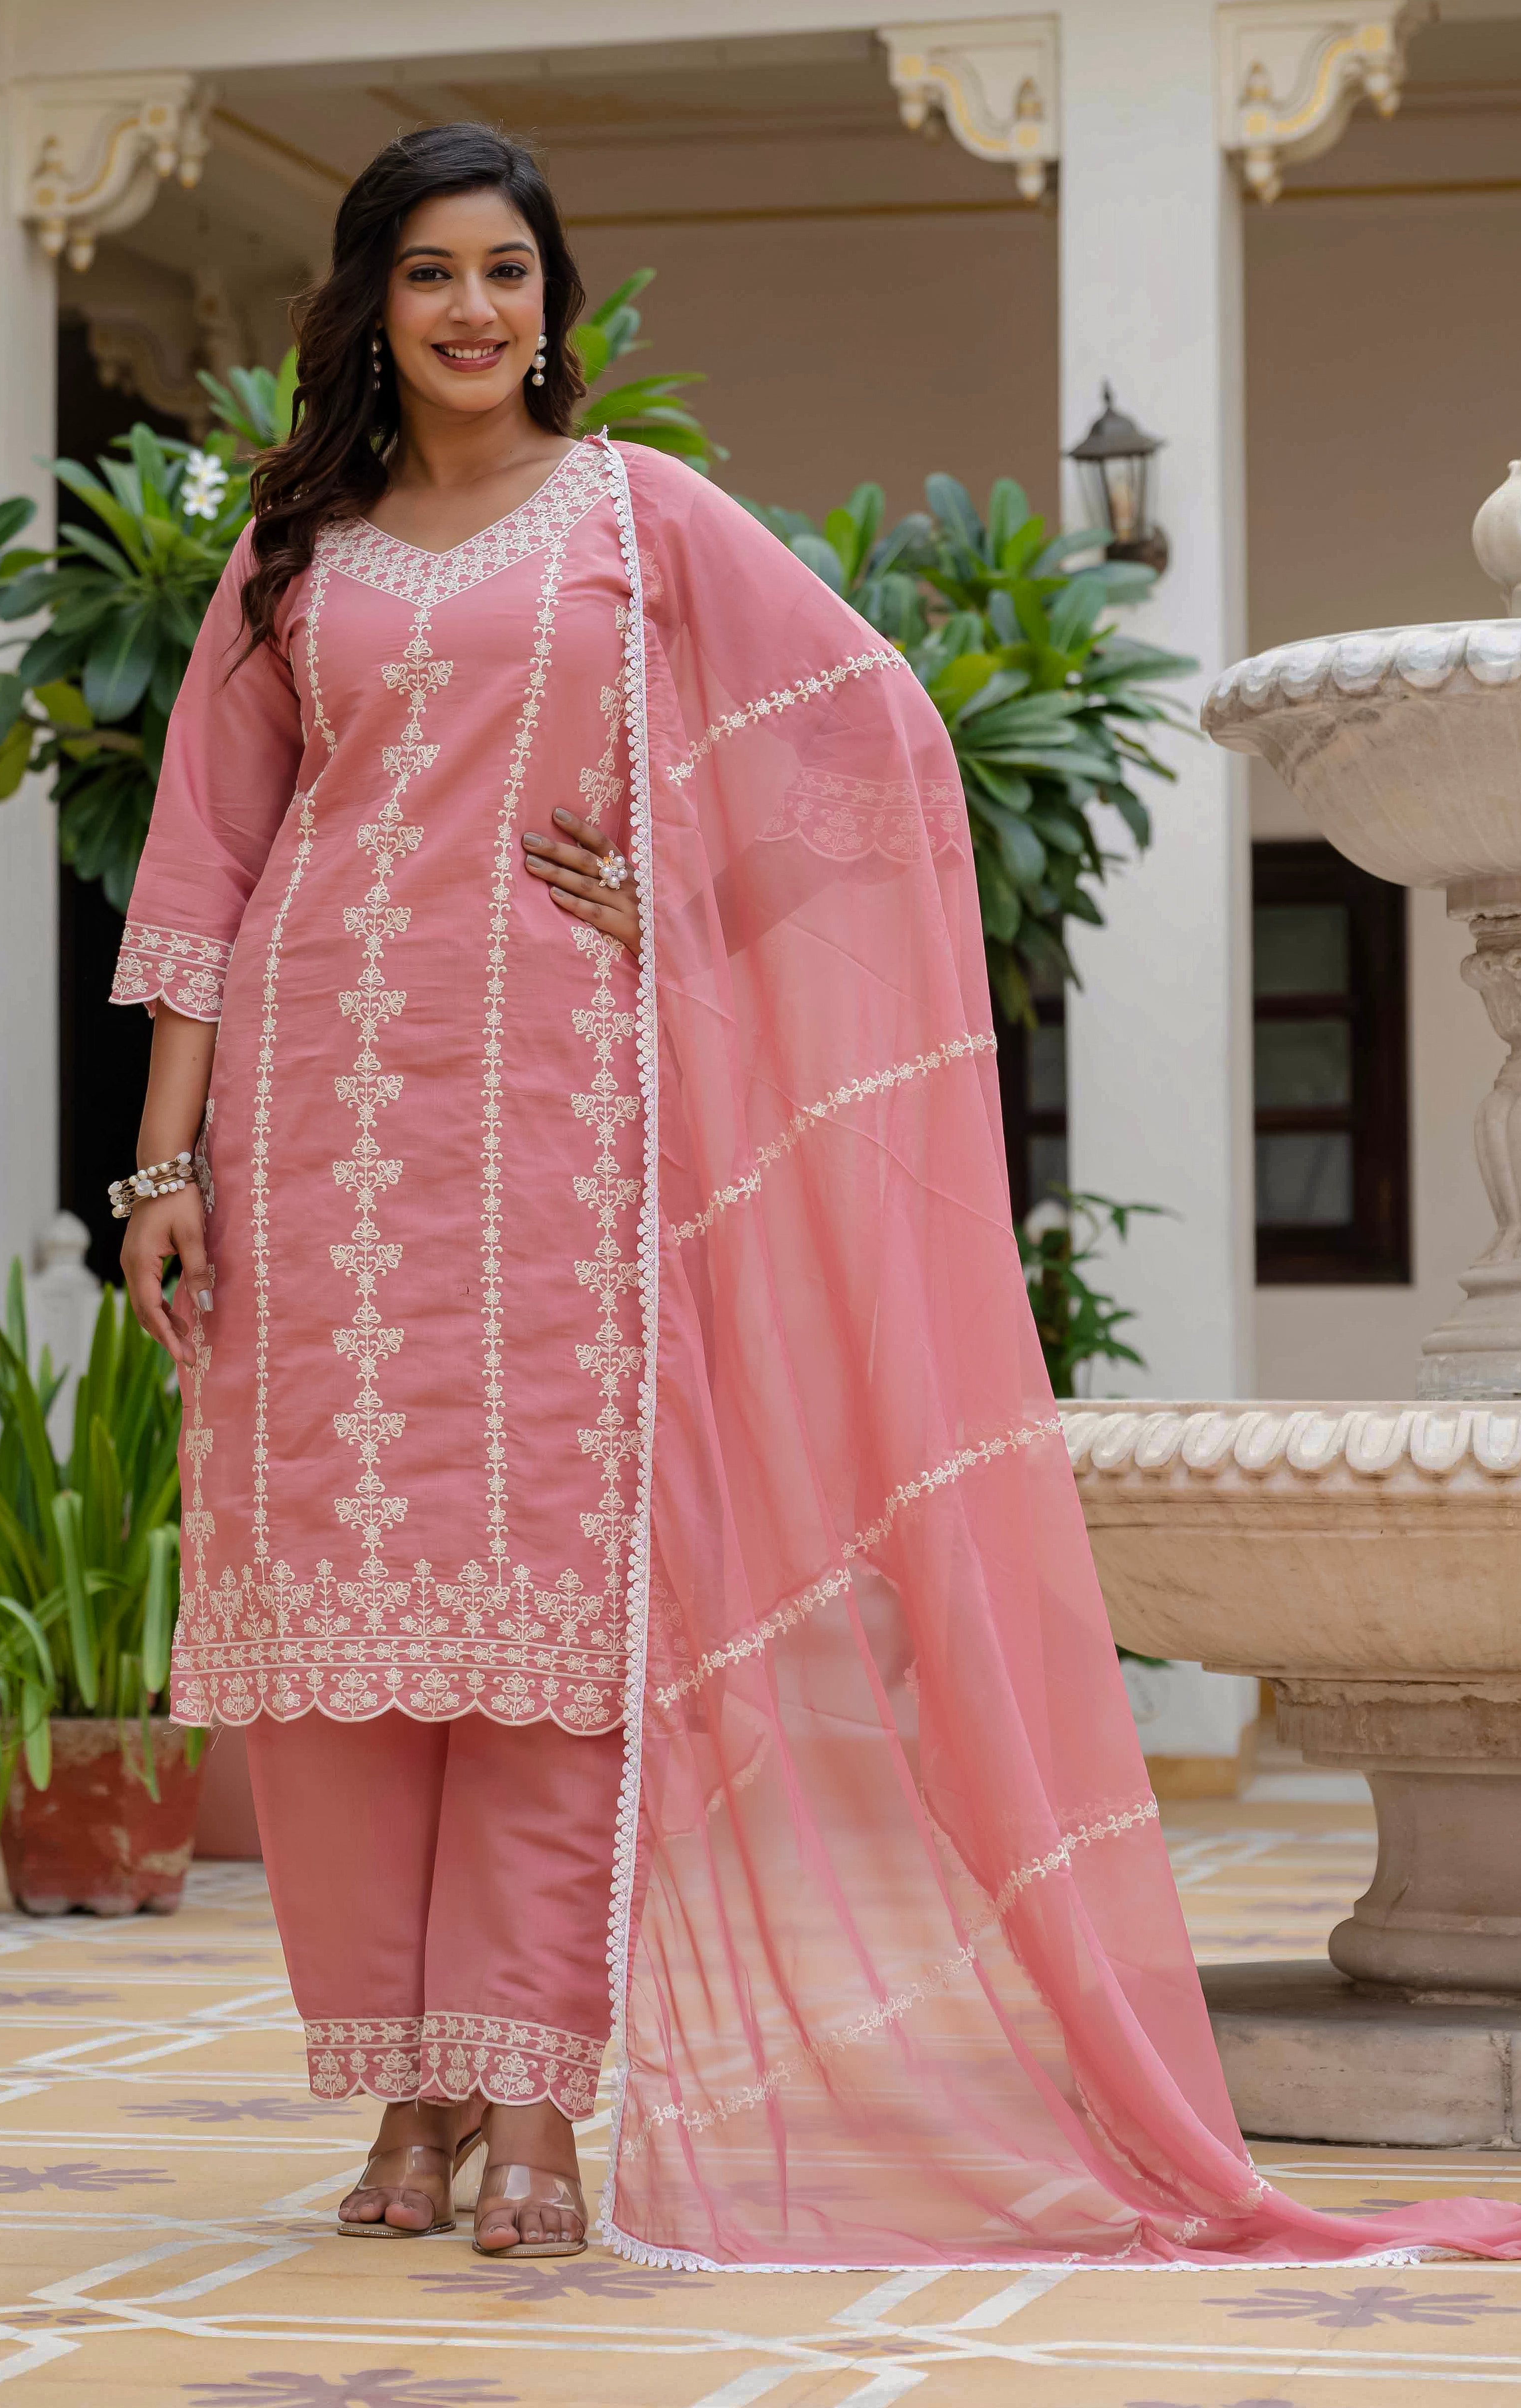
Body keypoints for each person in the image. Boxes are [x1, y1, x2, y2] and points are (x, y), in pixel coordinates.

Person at [111, 123, 1521, 2271]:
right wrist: (164, 1157)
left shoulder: (635, 517)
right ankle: (403, 2084)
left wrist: (668, 888)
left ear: (549, 301)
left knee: (553, 1644)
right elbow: (208, 860)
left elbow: (868, 759)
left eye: (509, 271)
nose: (476, 310)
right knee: (339, 1653)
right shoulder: (290, 552)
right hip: (315, 1139)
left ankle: (534, 2107)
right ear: (368, 307)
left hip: (552, 1140)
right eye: (431, 275)